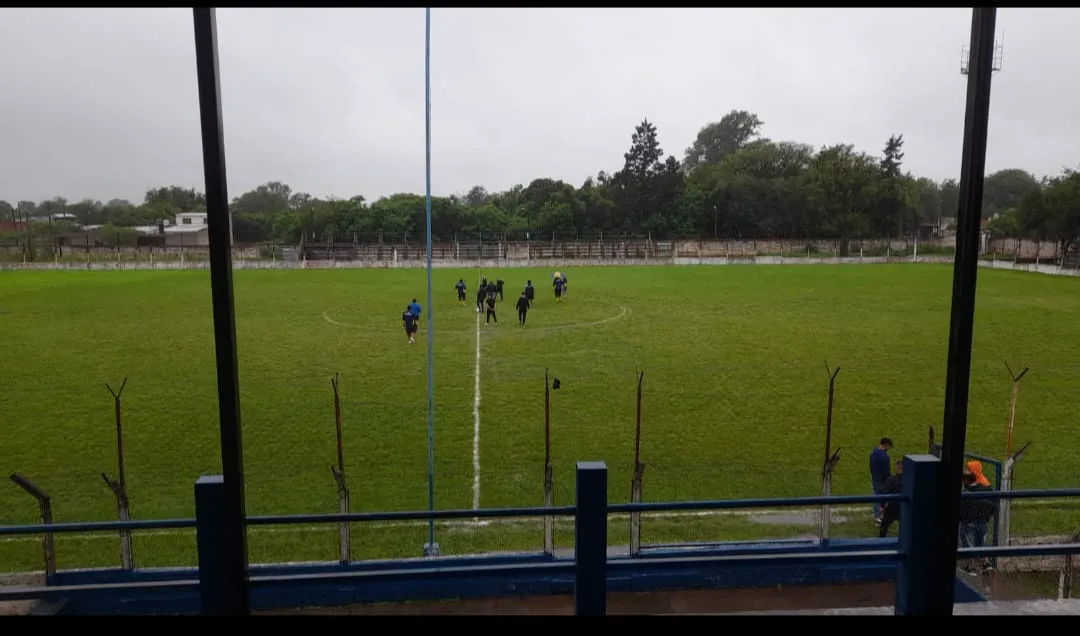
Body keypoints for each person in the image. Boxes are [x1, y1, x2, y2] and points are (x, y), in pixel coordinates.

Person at [959, 460, 998, 574]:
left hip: (969, 523)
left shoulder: (966, 493)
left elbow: (962, 510)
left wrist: (963, 519)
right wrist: (987, 517)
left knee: (969, 545)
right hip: (983, 522)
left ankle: (971, 567)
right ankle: (986, 564)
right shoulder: (986, 487)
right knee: (981, 544)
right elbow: (993, 504)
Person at [869, 437, 893, 525]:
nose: (889, 449)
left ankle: (877, 516)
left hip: (875, 478)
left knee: (876, 497)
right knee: (883, 498)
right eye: (889, 447)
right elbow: (886, 471)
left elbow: (871, 467)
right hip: (883, 481)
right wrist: (889, 480)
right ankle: (880, 516)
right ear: (886, 445)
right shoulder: (884, 457)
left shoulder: (872, 453)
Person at [878, 460, 904, 537]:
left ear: (897, 468)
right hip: (904, 507)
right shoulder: (908, 480)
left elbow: (884, 493)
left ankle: (881, 541)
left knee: (884, 525)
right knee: (907, 524)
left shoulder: (891, 479)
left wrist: (882, 506)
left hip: (892, 507)